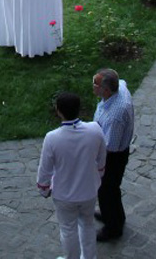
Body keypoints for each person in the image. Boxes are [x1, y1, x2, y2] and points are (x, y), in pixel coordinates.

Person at [37, 92, 107, 259]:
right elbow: (102, 158)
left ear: (58, 111)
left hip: (64, 194)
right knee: (88, 225)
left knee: (68, 229)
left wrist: (44, 189)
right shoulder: (95, 130)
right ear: (79, 109)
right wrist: (98, 175)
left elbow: (45, 169)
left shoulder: (52, 138)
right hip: (89, 191)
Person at [93, 69, 134, 242]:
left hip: (113, 158)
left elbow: (110, 147)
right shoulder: (120, 86)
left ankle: (113, 228)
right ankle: (117, 216)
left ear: (106, 90)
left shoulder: (115, 116)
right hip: (115, 152)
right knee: (112, 189)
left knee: (106, 190)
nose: (92, 87)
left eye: (95, 84)